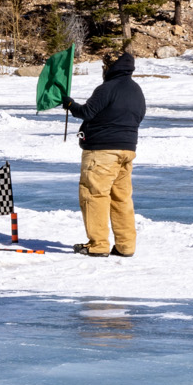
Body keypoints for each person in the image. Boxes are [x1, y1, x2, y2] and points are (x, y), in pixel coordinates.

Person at [62, 50, 147, 257]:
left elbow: (87, 112)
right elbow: (139, 116)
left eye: (105, 65)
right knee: (121, 198)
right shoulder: (136, 90)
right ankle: (125, 246)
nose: (103, 69)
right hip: (127, 150)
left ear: (111, 67)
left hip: (102, 153)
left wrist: (70, 104)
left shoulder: (107, 88)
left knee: (94, 195)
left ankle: (97, 245)